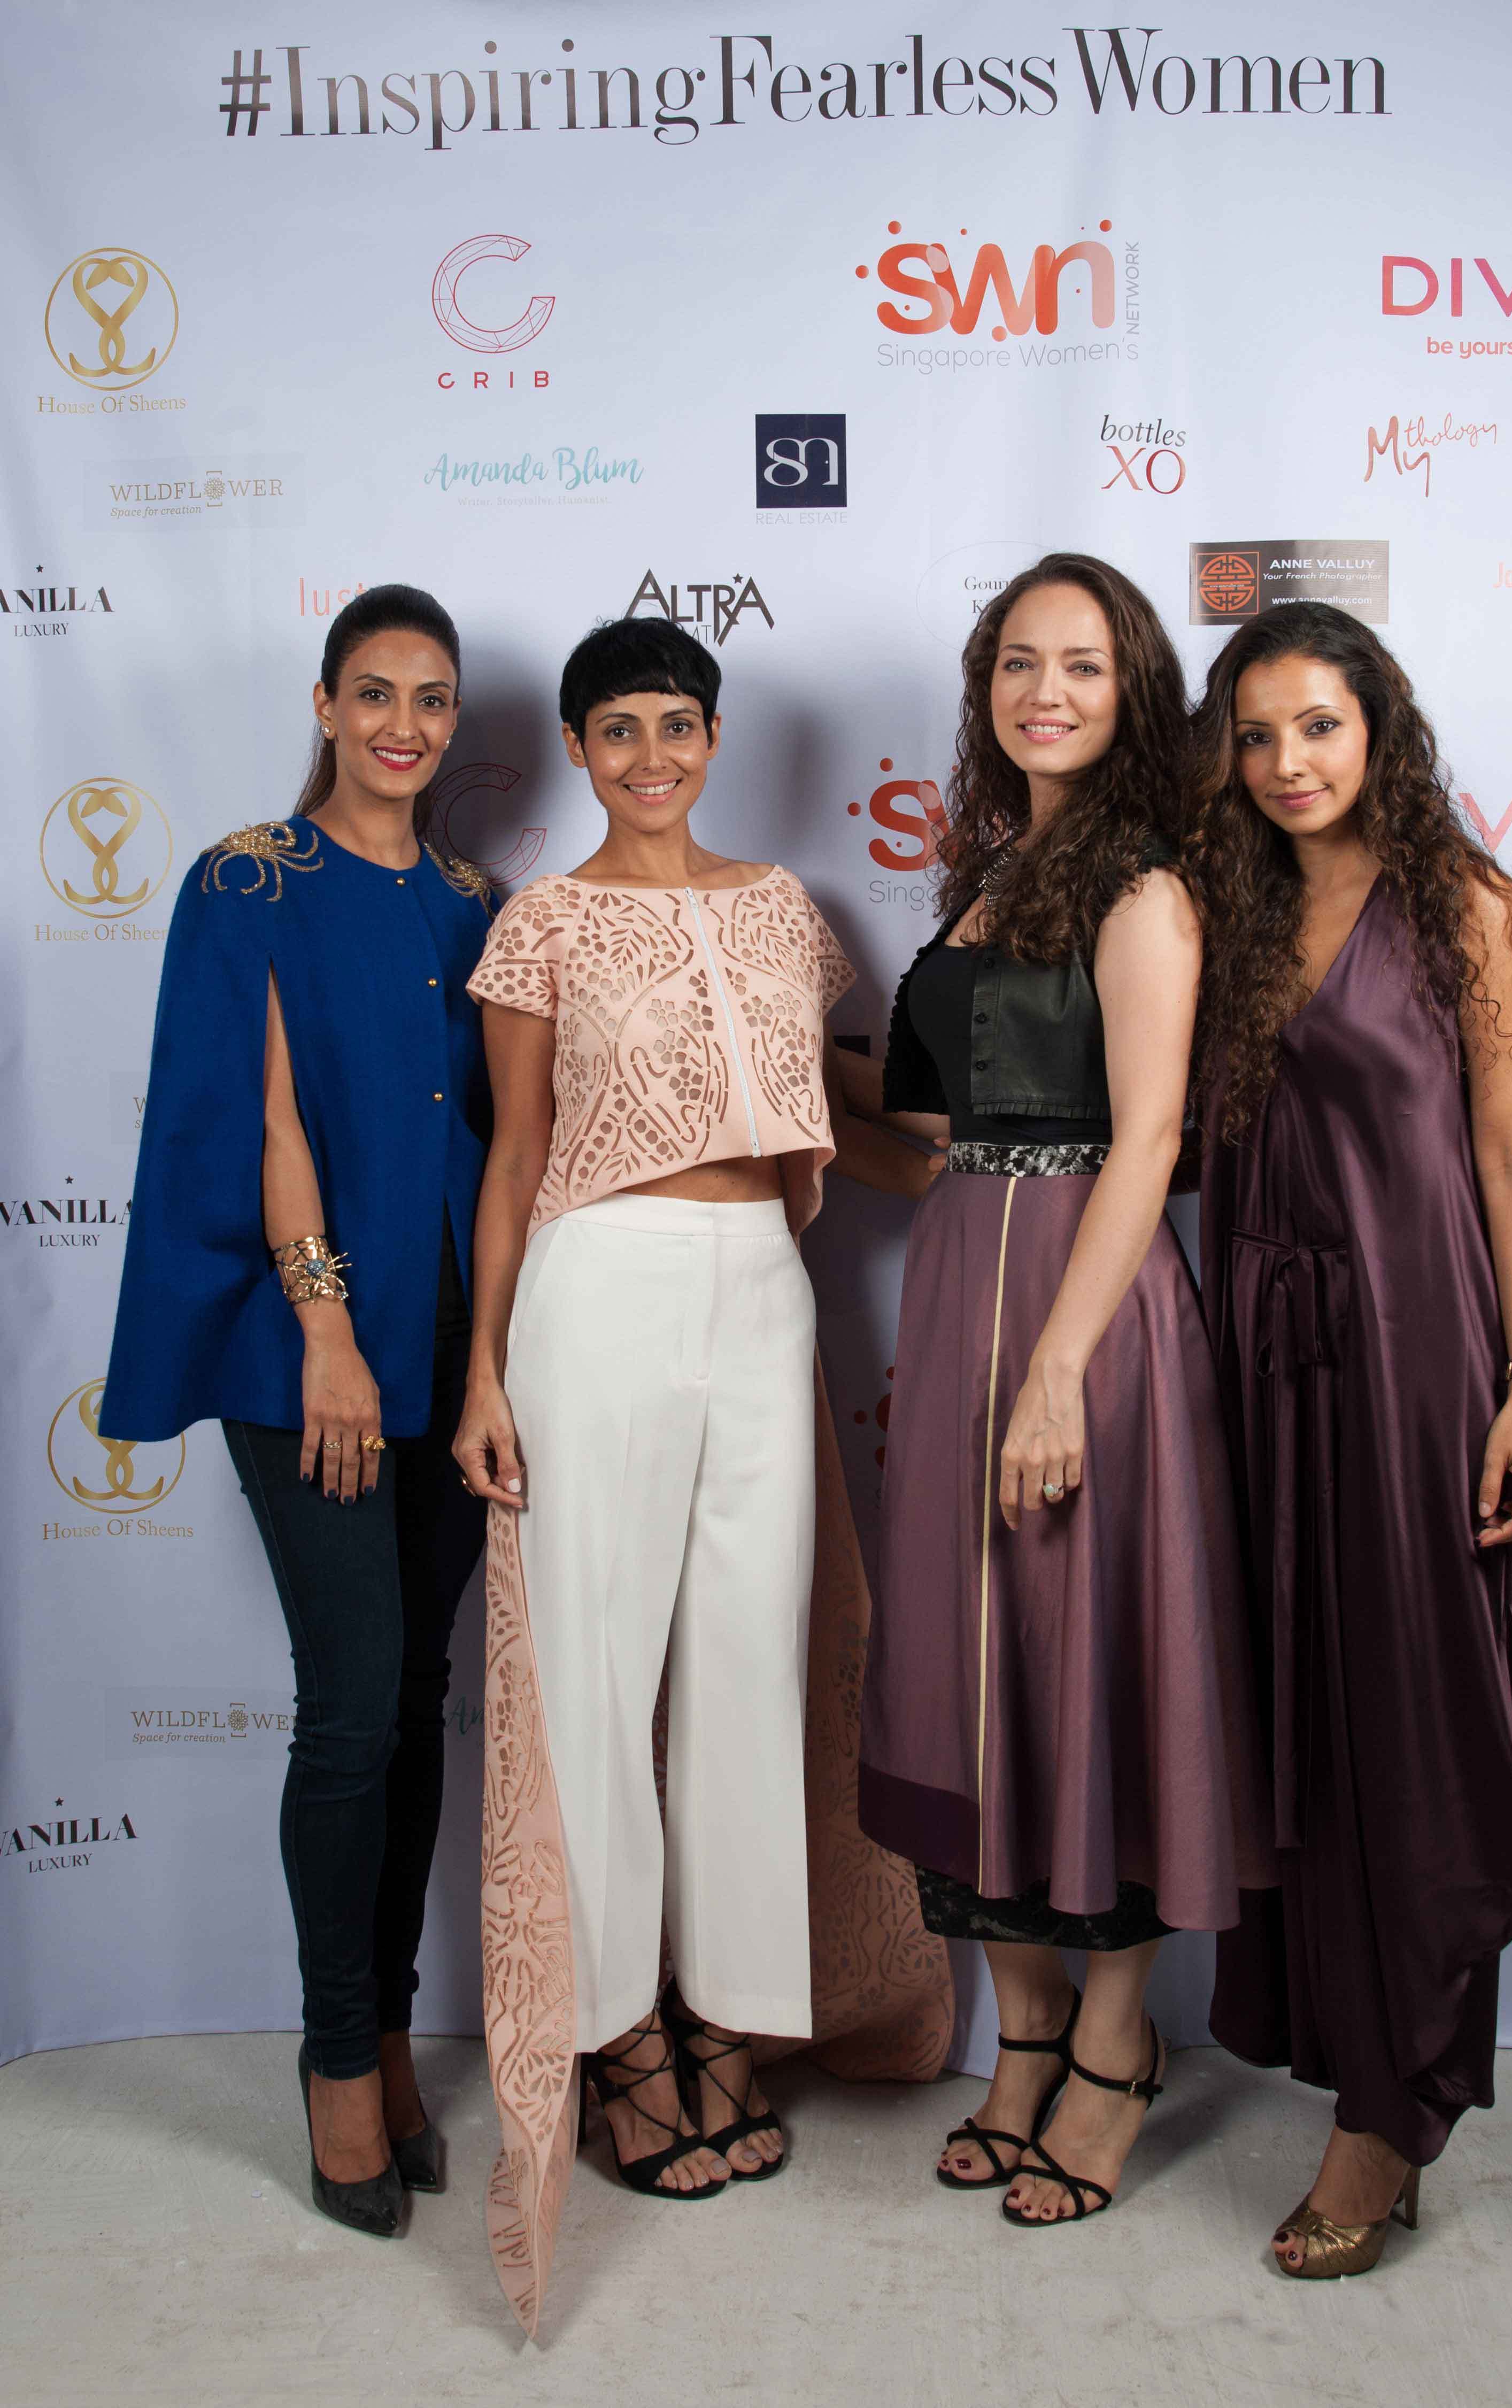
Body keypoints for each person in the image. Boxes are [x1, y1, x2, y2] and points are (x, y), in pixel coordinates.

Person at [453, 616, 951, 2334]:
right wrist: (482, 1372)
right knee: (595, 1677)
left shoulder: (784, 911)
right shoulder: (542, 923)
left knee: (750, 1668)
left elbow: (836, 1112)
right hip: (597, 1289)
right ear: (579, 751)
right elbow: (516, 1157)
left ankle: (732, 2013)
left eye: (677, 725)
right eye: (618, 730)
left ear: (715, 738)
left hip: (764, 1290)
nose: (651, 756)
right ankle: (613, 2040)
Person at [854, 553, 1273, 2232]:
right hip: (963, 1279)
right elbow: (935, 1133)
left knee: (1090, 1646)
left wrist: (1055, 1373)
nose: (1047, 692)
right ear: (987, 689)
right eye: (1020, 662)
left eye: (1084, 666)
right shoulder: (985, 876)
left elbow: (1150, 1137)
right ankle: (1021, 2035)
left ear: (1132, 692)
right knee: (972, 1667)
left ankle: (1113, 2047)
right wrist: (748, 1070)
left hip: (1083, 1316)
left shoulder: (1149, 888)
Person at [101, 585, 492, 2239]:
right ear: (326, 704)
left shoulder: (476, 903)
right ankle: (336, 2066)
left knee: (413, 1701)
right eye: (376, 692)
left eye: (433, 698)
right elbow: (257, 1112)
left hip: (453, 1349)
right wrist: (327, 1324)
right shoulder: (247, 878)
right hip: (309, 1353)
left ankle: (392, 2041)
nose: (405, 725)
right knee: (346, 1707)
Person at [1185, 601, 1512, 2279]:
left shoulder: (1466, 904)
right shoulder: (1236, 908)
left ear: (1380, 726)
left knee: (1418, 1720)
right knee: (1308, 1721)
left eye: (1319, 726)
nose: (1288, 763)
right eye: (1257, 735)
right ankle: (1359, 2065)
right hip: (1266, 1369)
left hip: (1418, 1364)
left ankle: (1392, 2118)